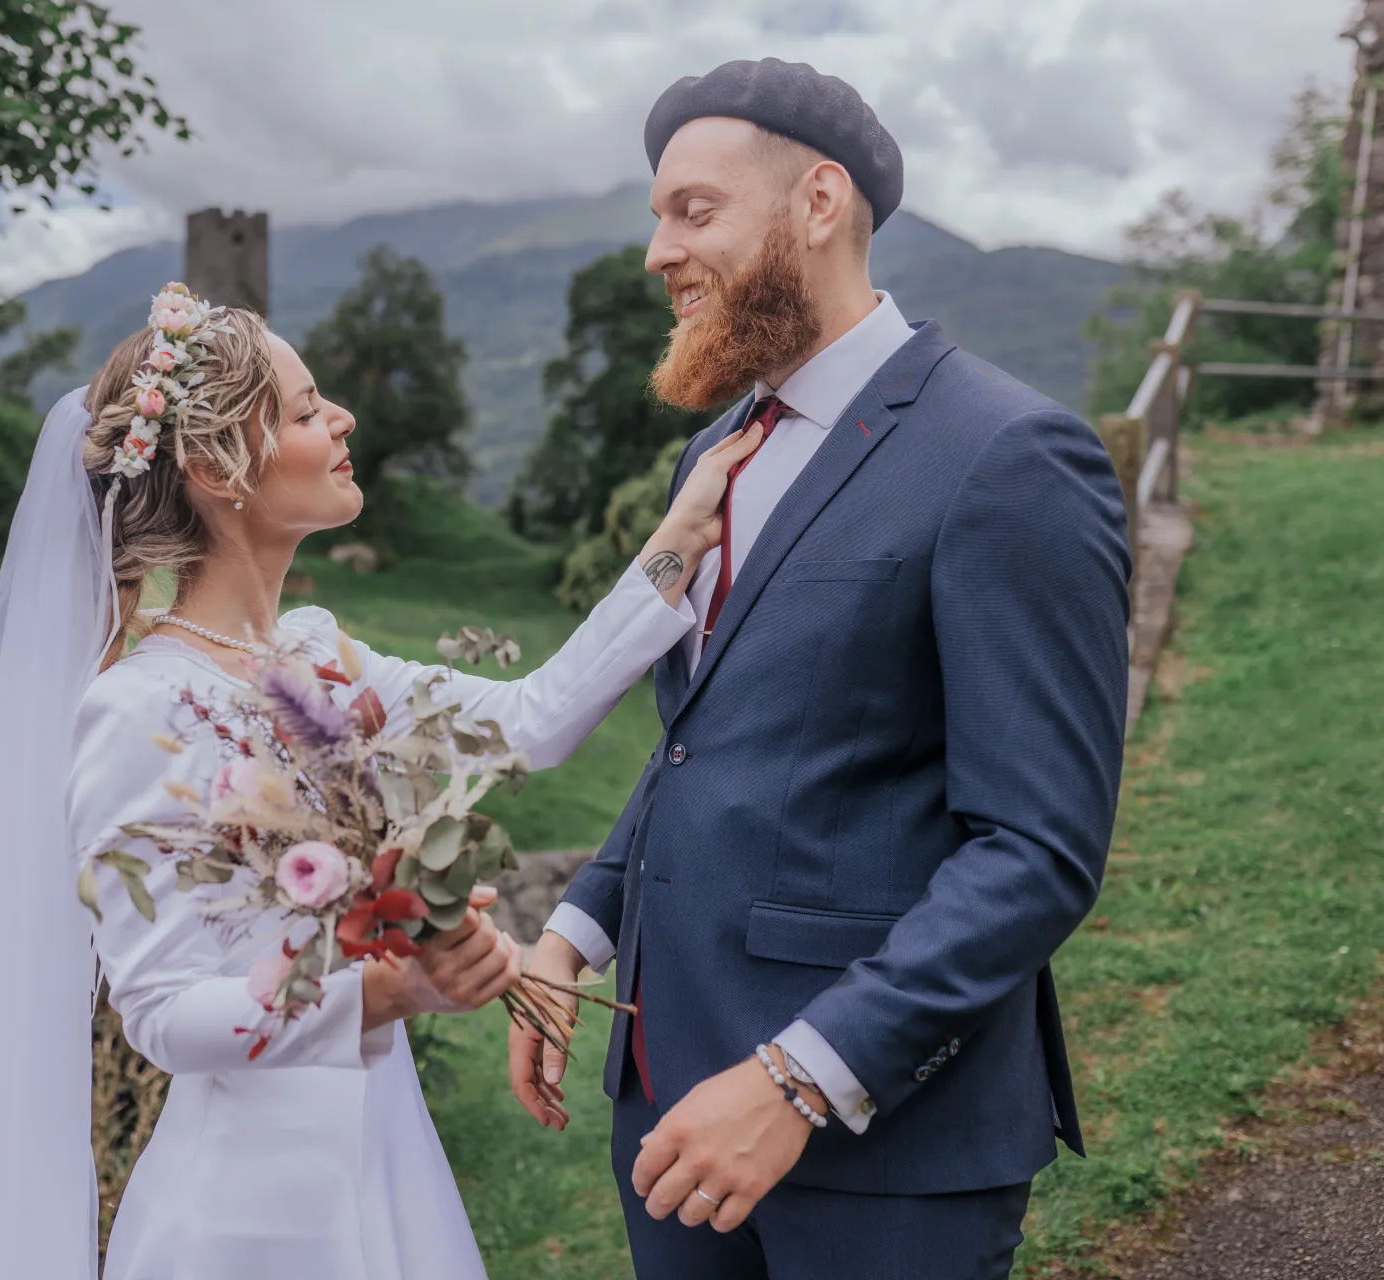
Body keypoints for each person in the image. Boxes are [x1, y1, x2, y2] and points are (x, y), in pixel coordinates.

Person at [0, 283, 764, 1280]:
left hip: (388, 1158)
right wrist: (386, 991)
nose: (343, 417)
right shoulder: (137, 709)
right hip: (250, 1213)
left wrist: (675, 547)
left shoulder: (316, 656)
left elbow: (525, 722)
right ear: (217, 466)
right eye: (307, 409)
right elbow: (163, 1012)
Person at [509, 59, 1133, 1279]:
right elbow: (704, 737)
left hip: (882, 1140)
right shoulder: (719, 449)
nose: (656, 253)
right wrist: (578, 926)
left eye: (693, 210)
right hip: (670, 1105)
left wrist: (800, 1078)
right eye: (656, 216)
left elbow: (1039, 848)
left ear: (818, 202)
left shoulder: (1007, 455)